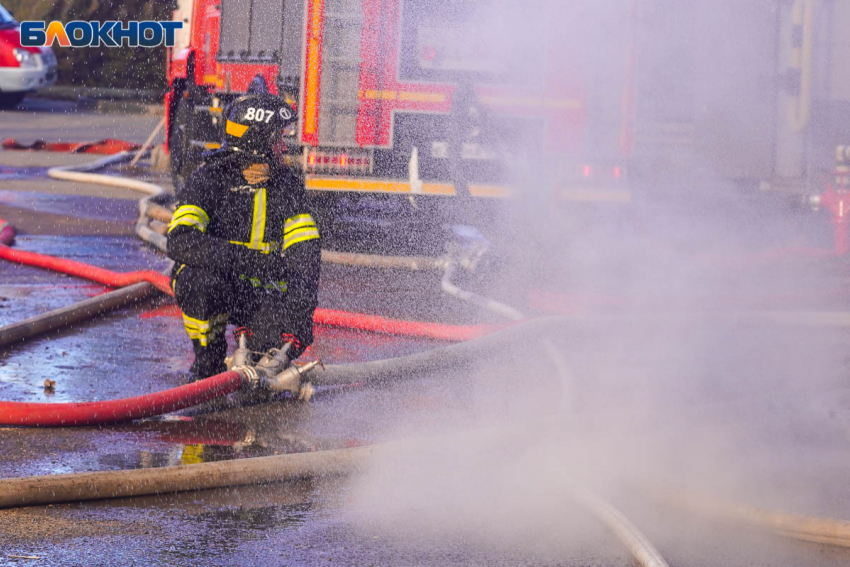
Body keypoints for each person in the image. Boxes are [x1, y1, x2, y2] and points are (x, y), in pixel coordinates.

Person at [166, 93, 321, 380]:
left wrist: (301, 314)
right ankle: (208, 363)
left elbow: (306, 258)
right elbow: (180, 240)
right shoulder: (210, 179)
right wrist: (251, 261)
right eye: (277, 139)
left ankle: (259, 364)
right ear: (256, 143)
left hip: (261, 294)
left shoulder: (287, 187)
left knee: (268, 363)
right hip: (221, 286)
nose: (283, 146)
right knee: (198, 283)